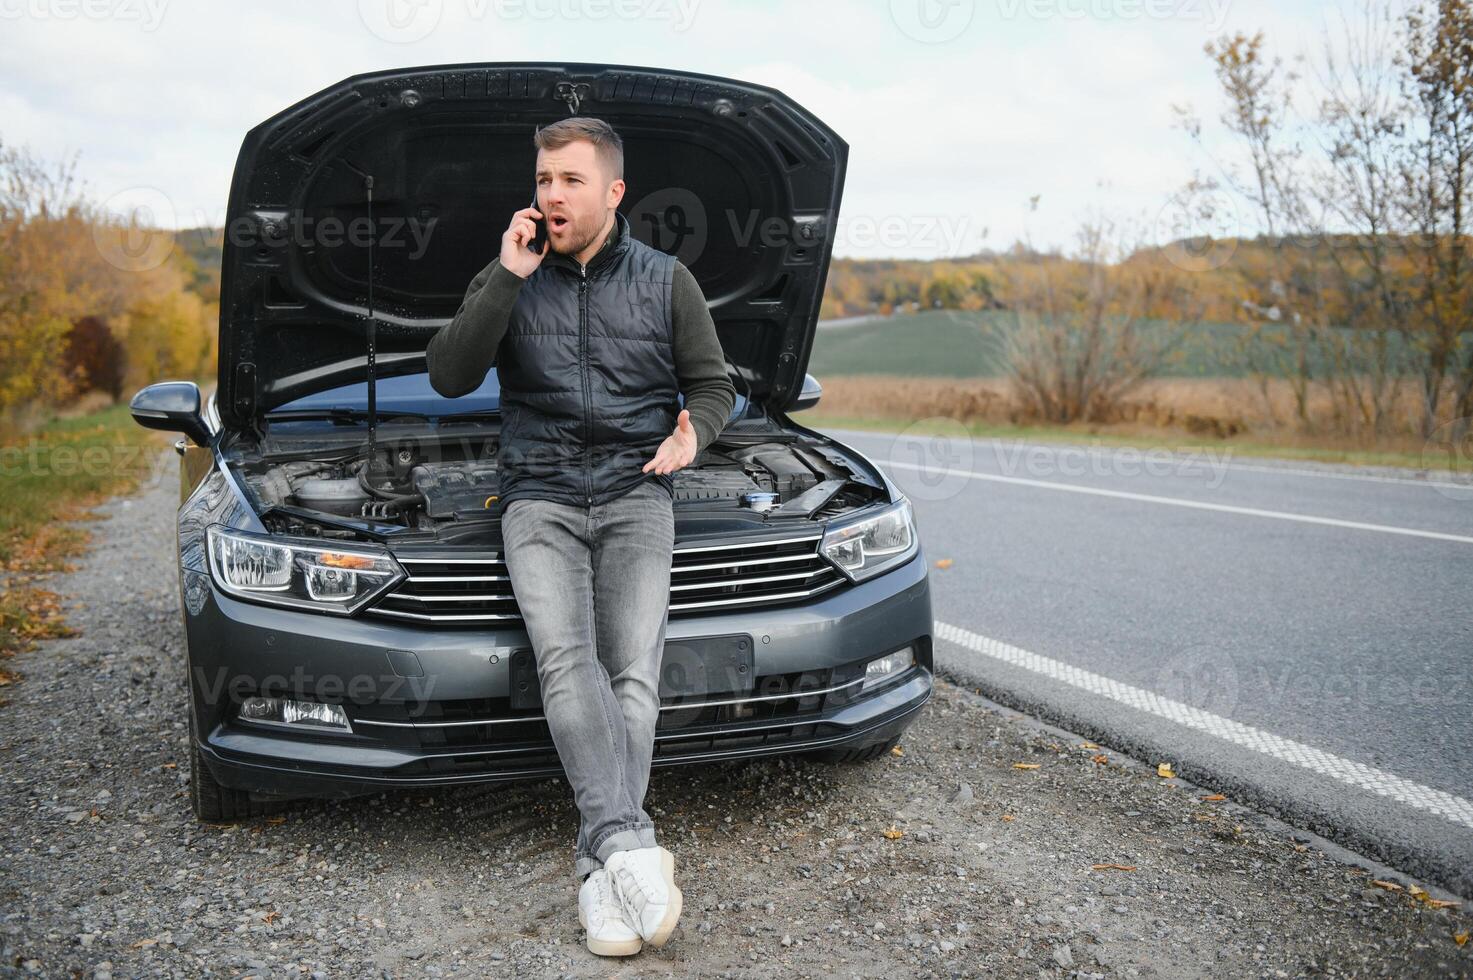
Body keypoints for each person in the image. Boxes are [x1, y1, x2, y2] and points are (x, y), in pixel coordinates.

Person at [425, 116, 736, 957]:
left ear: (612, 191)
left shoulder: (667, 281)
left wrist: (692, 436)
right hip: (541, 496)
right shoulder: (512, 272)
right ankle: (631, 849)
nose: (550, 195)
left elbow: (714, 387)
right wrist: (505, 276)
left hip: (639, 495)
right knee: (567, 662)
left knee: (632, 676)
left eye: (568, 179)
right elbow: (449, 376)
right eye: (543, 179)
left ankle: (600, 873)